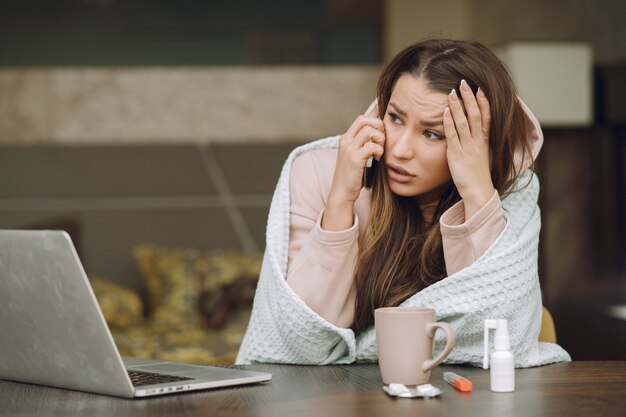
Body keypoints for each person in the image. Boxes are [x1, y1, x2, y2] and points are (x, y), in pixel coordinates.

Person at [236, 39, 570, 366]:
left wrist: (478, 193)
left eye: (432, 133)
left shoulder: (512, 192)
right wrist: (340, 201)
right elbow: (301, 340)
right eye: (395, 118)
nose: (400, 150)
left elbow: (499, 334)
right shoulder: (317, 172)